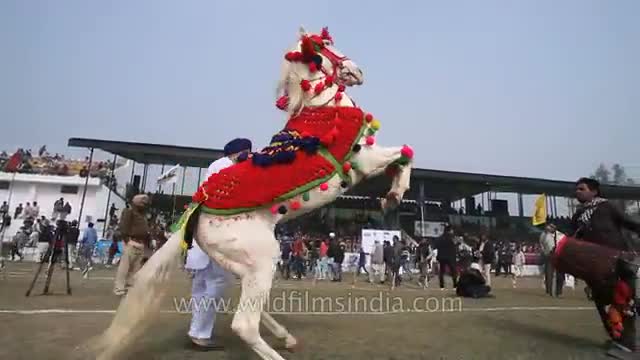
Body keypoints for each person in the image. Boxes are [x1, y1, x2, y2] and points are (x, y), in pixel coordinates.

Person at [185, 137, 250, 350]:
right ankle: (201, 335)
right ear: (238, 152)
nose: (248, 156)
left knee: (201, 289)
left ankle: (196, 331)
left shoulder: (215, 166)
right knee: (215, 286)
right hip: (216, 236)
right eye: (247, 152)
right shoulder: (228, 167)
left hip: (203, 235)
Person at [569, 177, 640, 349]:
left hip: (620, 261)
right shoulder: (577, 216)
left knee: (624, 301)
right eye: (577, 189)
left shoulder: (607, 206)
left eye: (582, 189)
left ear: (594, 191)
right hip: (596, 267)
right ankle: (616, 338)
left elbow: (629, 223)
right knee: (603, 302)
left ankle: (629, 341)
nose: (578, 191)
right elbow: (574, 241)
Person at [113, 194, 151, 296]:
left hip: (141, 243)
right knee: (124, 267)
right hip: (132, 242)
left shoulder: (143, 215)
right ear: (136, 202)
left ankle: (129, 287)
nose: (144, 204)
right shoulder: (129, 211)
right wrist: (127, 240)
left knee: (135, 268)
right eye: (142, 202)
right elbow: (123, 226)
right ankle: (119, 288)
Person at [540, 223, 564, 297]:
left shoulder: (561, 235)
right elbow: (541, 244)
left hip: (559, 256)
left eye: (551, 227)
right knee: (549, 274)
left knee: (560, 275)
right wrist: (545, 252)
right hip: (549, 255)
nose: (550, 228)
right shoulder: (544, 235)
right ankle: (548, 292)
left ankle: (559, 292)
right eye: (549, 227)